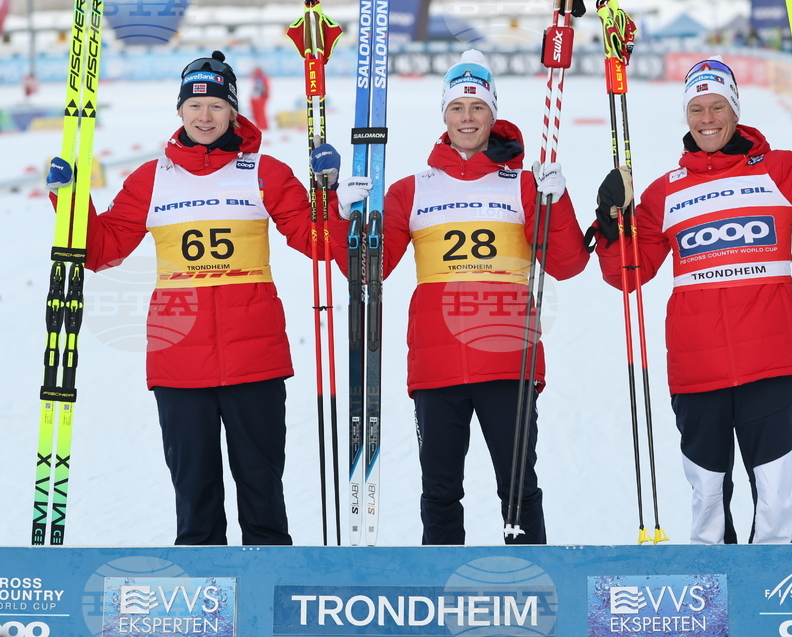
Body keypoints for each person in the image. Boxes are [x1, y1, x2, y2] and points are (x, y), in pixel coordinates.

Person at [46, 51, 340, 545]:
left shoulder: (263, 171)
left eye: (217, 106)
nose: (205, 117)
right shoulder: (150, 178)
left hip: (255, 359)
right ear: (180, 111)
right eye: (194, 105)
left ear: (233, 112)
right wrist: (71, 200)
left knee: (263, 495)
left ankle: (268, 606)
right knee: (195, 503)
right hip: (178, 360)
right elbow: (101, 251)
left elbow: (320, 242)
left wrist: (326, 190)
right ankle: (205, 613)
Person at [590, 58, 792, 544]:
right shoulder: (666, 193)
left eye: (717, 106)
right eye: (697, 108)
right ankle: (711, 605)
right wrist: (608, 217)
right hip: (696, 373)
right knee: (706, 504)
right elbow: (624, 274)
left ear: (735, 110)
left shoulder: (779, 170)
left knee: (774, 502)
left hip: (769, 367)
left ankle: (770, 603)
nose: (707, 119)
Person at [323, 49, 589, 545]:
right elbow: (366, 273)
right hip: (437, 367)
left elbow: (568, 264)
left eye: (478, 108)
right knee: (440, 491)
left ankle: (532, 585)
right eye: (458, 108)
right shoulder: (410, 190)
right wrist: (348, 217)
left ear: (493, 113)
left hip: (508, 360)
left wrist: (558, 200)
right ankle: (442, 599)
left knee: (518, 490)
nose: (468, 119)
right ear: (444, 114)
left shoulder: (523, 184)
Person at [249, 66, 270, 131]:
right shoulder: (257, 77)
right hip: (259, 96)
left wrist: (262, 95)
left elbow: (262, 88)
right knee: (257, 112)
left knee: (260, 112)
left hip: (260, 97)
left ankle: (262, 126)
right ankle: (261, 126)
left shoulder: (260, 77)